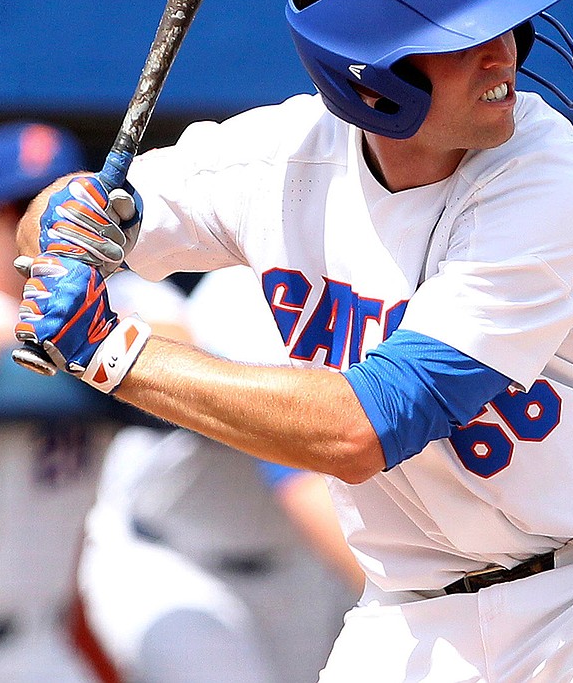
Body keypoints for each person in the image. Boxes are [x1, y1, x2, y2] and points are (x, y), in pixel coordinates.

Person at [13, 0, 573, 683]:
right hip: (413, 611)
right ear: (369, 72)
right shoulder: (279, 160)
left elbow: (360, 430)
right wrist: (64, 222)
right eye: (463, 37)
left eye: (506, 22)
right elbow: (53, 221)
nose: (504, 55)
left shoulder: (548, 182)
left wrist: (111, 351)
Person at [0, 120, 189, 683]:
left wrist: (44, 340)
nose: (40, 230)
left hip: (40, 639)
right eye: (15, 211)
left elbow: (190, 347)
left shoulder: (119, 297)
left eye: (58, 210)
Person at [77, 265, 363, 683]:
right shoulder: (243, 290)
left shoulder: (377, 280)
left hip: (295, 568)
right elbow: (299, 479)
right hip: (174, 562)